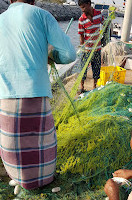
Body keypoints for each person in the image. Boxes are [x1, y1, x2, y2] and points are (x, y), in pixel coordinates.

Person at [0, 0, 76, 190]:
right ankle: (41, 181)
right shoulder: (41, 14)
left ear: (10, 0)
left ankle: (19, 180)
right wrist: (51, 56)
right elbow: (69, 54)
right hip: (35, 91)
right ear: (33, 0)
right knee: (41, 142)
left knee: (12, 143)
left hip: (5, 93)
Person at [78, 0, 104, 93]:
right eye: (81, 8)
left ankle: (94, 86)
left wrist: (108, 21)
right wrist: (82, 47)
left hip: (97, 49)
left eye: (84, 7)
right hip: (87, 50)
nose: (82, 10)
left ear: (89, 4)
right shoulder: (81, 19)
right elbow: (81, 35)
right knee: (83, 69)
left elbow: (104, 24)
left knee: (96, 68)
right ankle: (82, 87)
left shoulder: (98, 14)